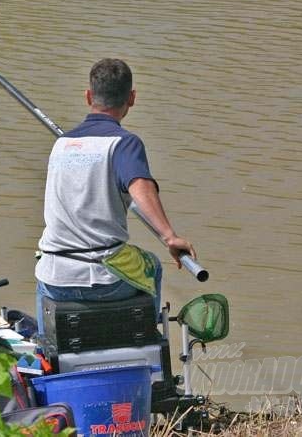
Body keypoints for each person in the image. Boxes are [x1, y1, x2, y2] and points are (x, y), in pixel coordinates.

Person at [35, 58, 197, 333]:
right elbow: (140, 185)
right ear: (132, 98)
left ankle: (46, 350)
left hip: (54, 279)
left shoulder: (61, 145)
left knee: (43, 268)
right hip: (102, 280)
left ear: (89, 96)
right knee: (152, 267)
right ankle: (147, 344)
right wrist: (170, 237)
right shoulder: (124, 144)